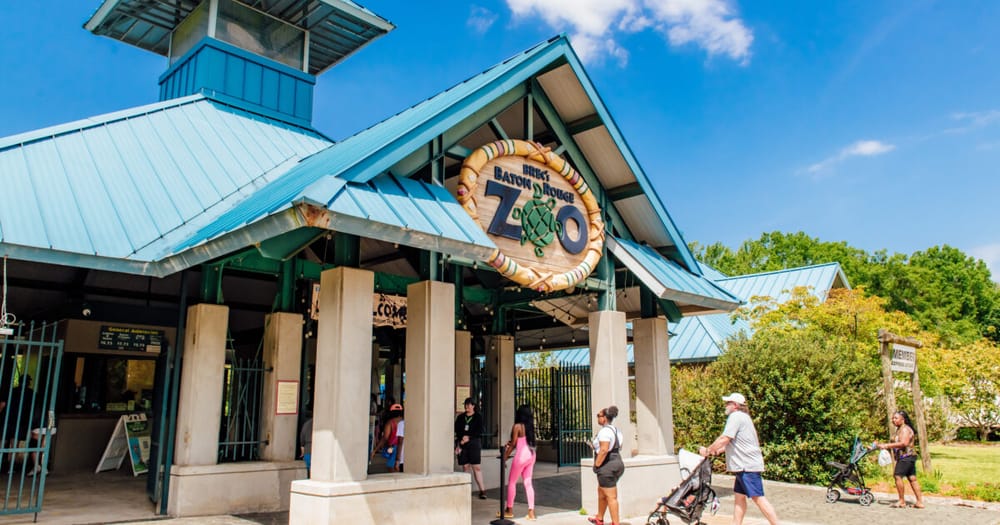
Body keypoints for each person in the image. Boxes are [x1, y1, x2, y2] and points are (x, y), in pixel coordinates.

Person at [699, 393, 779, 525]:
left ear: (735, 405)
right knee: (739, 497)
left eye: (728, 403)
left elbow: (725, 438)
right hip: (744, 466)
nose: (726, 406)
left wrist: (708, 451)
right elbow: (735, 442)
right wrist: (718, 450)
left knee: (758, 498)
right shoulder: (744, 418)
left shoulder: (735, 417)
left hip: (746, 466)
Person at [876, 410, 924, 509]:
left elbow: (904, 443)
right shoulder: (900, 429)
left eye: (896, 418)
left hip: (906, 457)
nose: (893, 420)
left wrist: (887, 445)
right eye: (893, 418)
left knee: (897, 476)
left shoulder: (905, 429)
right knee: (912, 478)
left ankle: (902, 501)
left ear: (903, 419)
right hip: (909, 457)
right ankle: (919, 502)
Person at [587, 405, 624, 525]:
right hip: (617, 461)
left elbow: (604, 450)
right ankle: (599, 517)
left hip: (607, 465)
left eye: (599, 415)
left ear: (604, 418)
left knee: (611, 497)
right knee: (602, 491)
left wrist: (597, 465)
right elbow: (618, 447)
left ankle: (615, 522)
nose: (597, 418)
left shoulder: (604, 432)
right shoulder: (616, 431)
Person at [501, 404, 537, 521]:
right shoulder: (530, 426)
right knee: (528, 483)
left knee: (512, 481)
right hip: (531, 454)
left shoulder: (517, 426)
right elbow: (521, 441)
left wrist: (505, 457)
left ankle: (509, 510)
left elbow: (513, 445)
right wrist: (512, 442)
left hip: (521, 456)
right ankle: (531, 512)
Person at [455, 397, 487, 499]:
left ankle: (482, 490)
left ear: (473, 406)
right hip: (463, 444)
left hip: (474, 444)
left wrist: (469, 437)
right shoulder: (460, 417)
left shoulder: (478, 417)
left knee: (476, 467)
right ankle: (466, 490)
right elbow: (457, 430)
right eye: (466, 404)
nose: (467, 406)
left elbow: (480, 431)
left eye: (469, 404)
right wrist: (460, 441)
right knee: (465, 467)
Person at [370, 403, 403, 472]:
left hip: (393, 449)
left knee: (391, 469)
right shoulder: (404, 421)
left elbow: (385, 438)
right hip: (404, 448)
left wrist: (375, 450)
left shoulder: (390, 422)